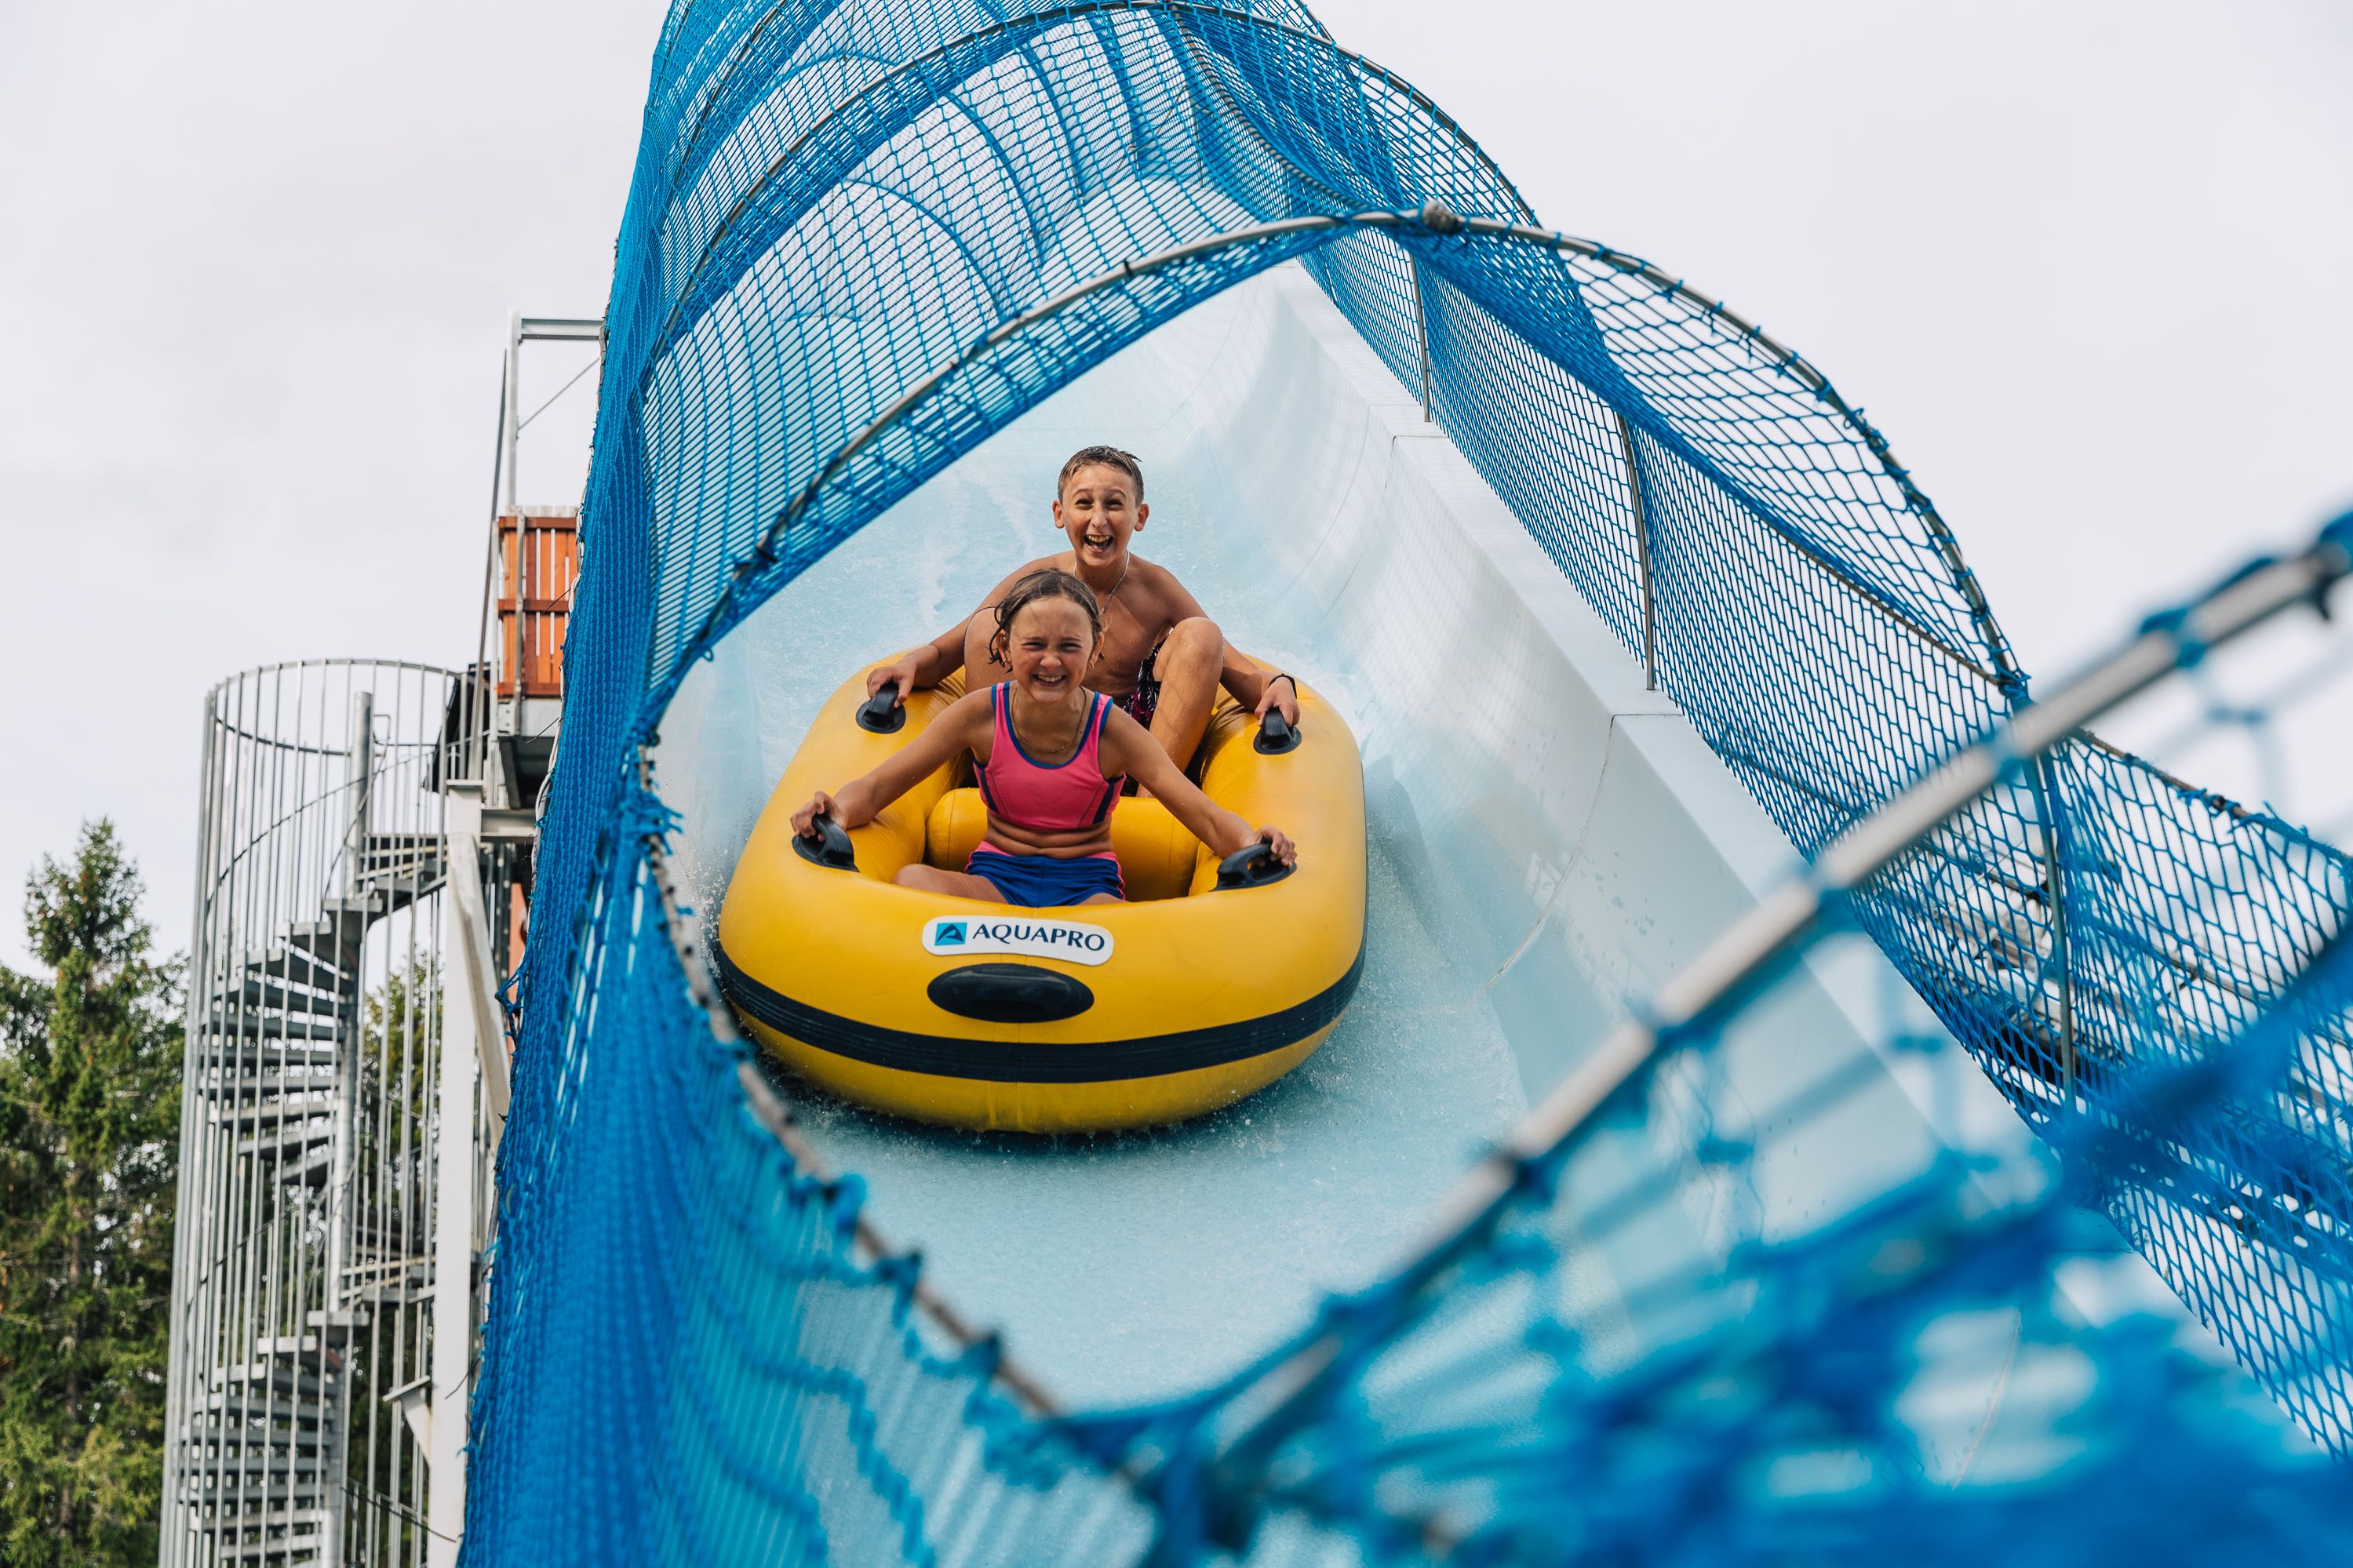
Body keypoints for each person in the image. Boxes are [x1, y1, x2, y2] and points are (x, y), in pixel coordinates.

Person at [793, 569, 1295, 908]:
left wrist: (1253, 840)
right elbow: (882, 785)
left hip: (1088, 891)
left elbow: (1201, 813)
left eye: (1068, 647)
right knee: (910, 882)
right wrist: (834, 812)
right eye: (1033, 645)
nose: (1050, 661)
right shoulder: (979, 716)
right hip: (995, 882)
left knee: (1128, 928)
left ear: (1094, 651)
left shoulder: (1111, 730)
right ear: (1005, 649)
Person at [864, 445, 1299, 780]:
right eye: (1084, 503)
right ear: (1059, 513)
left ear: (1139, 516)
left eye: (1114, 504)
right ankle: (1000, 786)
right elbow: (951, 650)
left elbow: (1234, 670)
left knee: (1202, 634)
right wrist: (908, 665)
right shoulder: (1036, 579)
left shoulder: (1155, 588)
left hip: (1124, 754)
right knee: (987, 625)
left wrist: (1278, 685)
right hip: (1033, 748)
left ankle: (1152, 812)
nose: (1098, 520)